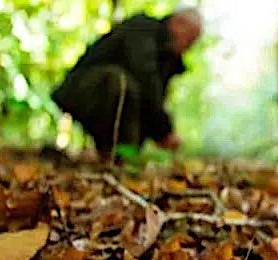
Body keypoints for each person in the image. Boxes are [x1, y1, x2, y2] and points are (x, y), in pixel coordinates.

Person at [51, 7, 202, 160]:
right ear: (177, 23)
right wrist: (164, 129)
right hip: (85, 92)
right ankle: (114, 153)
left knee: (133, 92)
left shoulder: (166, 61)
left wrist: (160, 133)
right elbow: (144, 75)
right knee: (120, 82)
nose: (189, 47)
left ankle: (123, 157)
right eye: (189, 39)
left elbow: (150, 102)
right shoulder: (142, 28)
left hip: (115, 101)